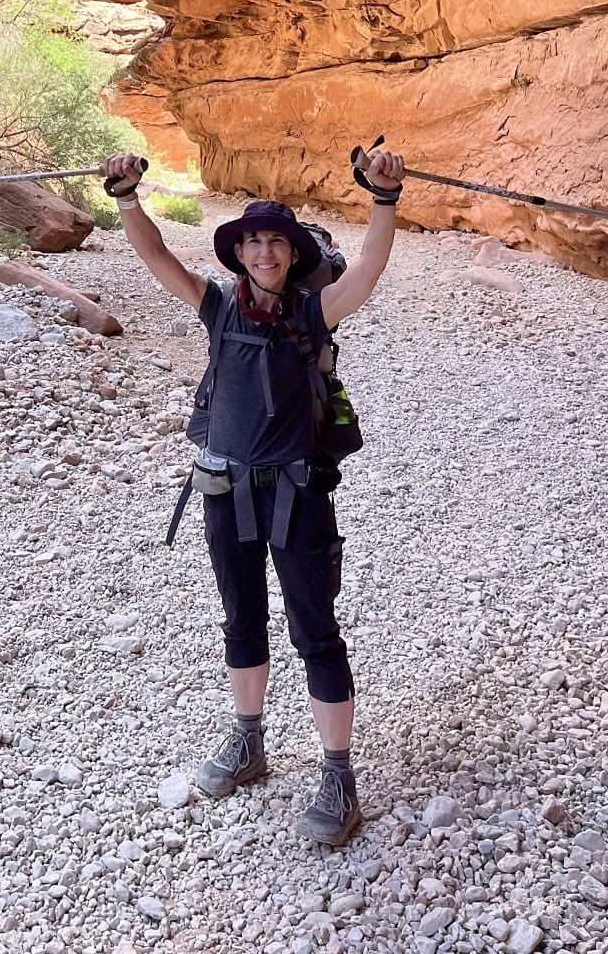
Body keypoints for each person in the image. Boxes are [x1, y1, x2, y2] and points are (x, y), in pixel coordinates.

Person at [102, 143, 404, 846]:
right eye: (252, 241)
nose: (263, 252)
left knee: (315, 633)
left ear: (292, 253)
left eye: (274, 241)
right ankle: (250, 744)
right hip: (223, 488)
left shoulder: (311, 315)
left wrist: (382, 200)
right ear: (238, 252)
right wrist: (124, 198)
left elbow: (369, 267)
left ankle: (337, 775)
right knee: (241, 620)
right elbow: (155, 259)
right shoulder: (216, 307)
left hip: (296, 496)